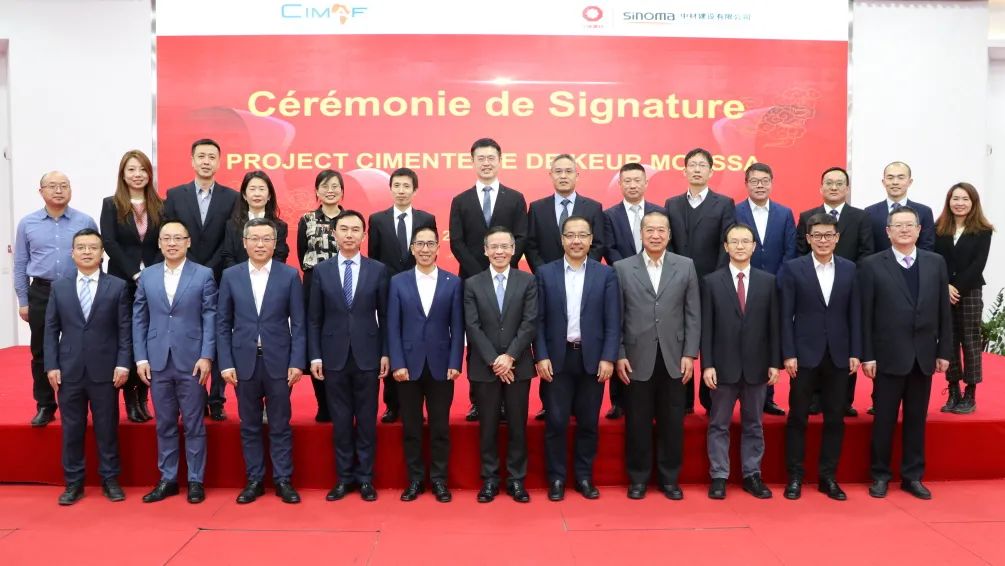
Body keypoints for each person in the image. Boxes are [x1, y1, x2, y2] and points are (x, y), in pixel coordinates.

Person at [860, 206, 952, 500]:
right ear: (888, 231)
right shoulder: (872, 265)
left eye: (909, 225)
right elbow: (865, 315)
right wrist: (867, 355)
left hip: (923, 356)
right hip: (887, 356)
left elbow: (943, 311)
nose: (904, 230)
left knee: (916, 420)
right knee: (884, 420)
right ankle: (880, 475)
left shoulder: (935, 263)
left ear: (919, 230)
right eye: (897, 225)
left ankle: (913, 476)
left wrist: (944, 351)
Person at [218, 218, 305, 504]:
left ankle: (283, 480)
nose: (260, 244)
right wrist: (226, 363)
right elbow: (223, 323)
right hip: (243, 362)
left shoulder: (289, 275)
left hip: (279, 362)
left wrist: (297, 362)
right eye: (254, 238)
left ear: (275, 243)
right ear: (244, 242)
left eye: (266, 239)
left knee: (280, 423)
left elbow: (299, 323)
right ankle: (254, 480)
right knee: (250, 424)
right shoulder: (231, 276)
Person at [615, 211, 700, 500]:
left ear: (669, 234)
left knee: (672, 422)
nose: (655, 235)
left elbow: (693, 314)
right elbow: (616, 316)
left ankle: (669, 479)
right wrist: (620, 353)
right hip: (635, 357)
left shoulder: (685, 266)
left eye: (661, 230)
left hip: (674, 357)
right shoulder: (622, 268)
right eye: (649, 230)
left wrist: (690, 353)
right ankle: (638, 479)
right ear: (641, 234)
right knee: (637, 422)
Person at [535, 216, 620, 501]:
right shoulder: (545, 273)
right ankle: (557, 479)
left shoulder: (605, 274)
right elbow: (538, 320)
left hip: (592, 359)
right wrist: (541, 356)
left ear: (591, 240)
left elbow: (613, 321)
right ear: (562, 240)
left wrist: (608, 357)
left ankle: (584, 477)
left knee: (588, 422)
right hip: (557, 359)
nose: (576, 241)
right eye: (570, 235)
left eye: (582, 235)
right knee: (556, 422)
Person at [44, 228, 131, 505]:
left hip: (106, 370)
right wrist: (51, 365)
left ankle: (110, 479)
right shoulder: (59, 287)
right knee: (72, 429)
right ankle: (73, 483)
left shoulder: (117, 286)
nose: (86, 252)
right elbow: (50, 330)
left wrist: (123, 364)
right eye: (81, 247)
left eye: (93, 247)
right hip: (68, 370)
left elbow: (125, 330)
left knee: (107, 428)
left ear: (102, 253)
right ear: (72, 253)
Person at [134, 220, 218, 504]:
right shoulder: (147, 276)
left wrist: (207, 355)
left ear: (188, 242)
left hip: (192, 360)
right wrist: (141, 357)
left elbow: (210, 316)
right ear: (159, 243)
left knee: (194, 423)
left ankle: (195, 480)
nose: (172, 243)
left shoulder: (203, 274)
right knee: (165, 423)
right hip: (157, 359)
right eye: (166, 238)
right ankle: (168, 479)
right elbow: (139, 318)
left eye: (178, 238)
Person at [778, 213, 861, 501]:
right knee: (798, 418)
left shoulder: (850, 269)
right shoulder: (793, 269)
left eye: (828, 235)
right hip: (803, 355)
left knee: (835, 419)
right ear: (808, 238)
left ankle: (828, 477)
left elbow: (855, 313)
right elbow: (785, 315)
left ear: (837, 238)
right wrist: (788, 353)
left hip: (839, 355)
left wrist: (856, 352)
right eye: (817, 235)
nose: (823, 240)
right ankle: (795, 477)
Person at [309, 210, 390, 503]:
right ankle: (343, 478)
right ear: (334, 234)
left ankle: (366, 478)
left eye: (355, 229)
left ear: (364, 235)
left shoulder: (378, 270)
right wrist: (315, 357)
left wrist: (386, 353)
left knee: (367, 420)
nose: (349, 234)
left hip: (368, 355)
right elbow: (314, 319)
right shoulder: (321, 271)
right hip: (333, 356)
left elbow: (387, 316)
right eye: (343, 229)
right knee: (341, 421)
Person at [449, 138, 528, 421]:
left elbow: (521, 237)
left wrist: (502, 266)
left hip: (509, 281)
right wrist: (480, 275)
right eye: (480, 158)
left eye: (491, 158)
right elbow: (456, 242)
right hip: (472, 282)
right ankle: (478, 401)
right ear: (472, 161)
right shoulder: (460, 200)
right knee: (476, 338)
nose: (486, 163)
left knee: (507, 333)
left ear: (499, 160)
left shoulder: (515, 198)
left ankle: (507, 401)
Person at [701, 223, 780, 500]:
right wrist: (707, 364)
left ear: (754, 246)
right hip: (723, 367)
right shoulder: (711, 282)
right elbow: (706, 328)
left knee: (754, 424)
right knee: (718, 424)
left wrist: (774, 362)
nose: (740, 246)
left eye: (745, 241)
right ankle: (719, 476)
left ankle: (752, 474)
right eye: (734, 241)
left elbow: (774, 326)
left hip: (757, 367)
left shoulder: (768, 281)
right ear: (726, 246)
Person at [526, 154, 607, 421]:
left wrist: (584, 268)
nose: (563, 176)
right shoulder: (537, 208)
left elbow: (598, 244)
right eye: (558, 171)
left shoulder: (593, 207)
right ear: (550, 175)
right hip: (548, 285)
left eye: (568, 171)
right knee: (550, 337)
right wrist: (549, 275)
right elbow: (531, 245)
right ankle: (549, 404)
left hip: (585, 280)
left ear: (577, 175)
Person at [14, 171, 98, 426]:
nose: (59, 190)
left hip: (76, 290)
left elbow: (96, 258)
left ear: (70, 189)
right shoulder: (27, 223)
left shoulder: (85, 221)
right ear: (41, 191)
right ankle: (45, 404)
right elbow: (20, 264)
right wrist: (23, 301)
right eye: (52, 186)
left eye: (64, 185)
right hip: (42, 291)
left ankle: (81, 401)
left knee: (81, 347)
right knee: (41, 349)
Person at [163, 138, 238, 421]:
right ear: (192, 161)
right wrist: (192, 267)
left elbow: (229, 239)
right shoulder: (175, 195)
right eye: (201, 156)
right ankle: (190, 397)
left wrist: (208, 268)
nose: (206, 161)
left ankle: (216, 398)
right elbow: (170, 234)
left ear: (219, 162)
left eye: (212, 157)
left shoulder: (232, 197)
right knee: (186, 333)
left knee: (217, 334)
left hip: (218, 276)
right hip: (183, 275)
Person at [387, 226, 463, 503]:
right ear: (412, 248)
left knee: (440, 427)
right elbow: (392, 326)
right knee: (411, 427)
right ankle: (415, 480)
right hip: (407, 366)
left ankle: (440, 480)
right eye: (420, 244)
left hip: (442, 365)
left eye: (430, 244)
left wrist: (455, 361)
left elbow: (458, 327)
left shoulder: (453, 282)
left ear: (438, 248)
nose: (425, 249)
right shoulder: (398, 282)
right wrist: (397, 362)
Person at [464, 226, 538, 503]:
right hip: (485, 367)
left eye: (505, 246)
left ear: (513, 250)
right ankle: (490, 480)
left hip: (518, 365)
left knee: (518, 425)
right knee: (488, 427)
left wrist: (510, 357)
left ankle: (517, 480)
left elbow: (529, 322)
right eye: (494, 247)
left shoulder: (527, 281)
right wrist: (495, 360)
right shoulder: (472, 283)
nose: (499, 251)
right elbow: (472, 326)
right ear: (485, 251)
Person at [795, 166, 874, 417]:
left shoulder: (860, 217)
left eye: (839, 183)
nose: (834, 187)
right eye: (829, 183)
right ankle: (815, 398)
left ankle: (844, 400)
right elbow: (799, 252)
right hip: (812, 289)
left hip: (847, 289)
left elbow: (866, 253)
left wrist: (849, 279)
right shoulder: (807, 216)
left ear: (847, 188)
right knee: (815, 342)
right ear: (821, 187)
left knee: (844, 343)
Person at [664, 147, 736, 413]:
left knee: (709, 338)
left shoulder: (724, 203)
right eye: (692, 165)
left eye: (702, 165)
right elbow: (668, 243)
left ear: (711, 171)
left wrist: (716, 278)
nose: (696, 169)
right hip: (677, 283)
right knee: (680, 338)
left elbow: (726, 244)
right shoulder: (672, 204)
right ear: (684, 171)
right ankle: (682, 401)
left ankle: (709, 398)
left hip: (710, 281)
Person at [368, 167, 437, 424]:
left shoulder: (426, 218)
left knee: (418, 339)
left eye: (406, 186)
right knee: (391, 341)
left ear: (414, 190)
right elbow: (374, 258)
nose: (401, 191)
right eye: (396, 186)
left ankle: (420, 402)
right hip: (388, 291)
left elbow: (429, 252)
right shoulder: (377, 219)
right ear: (390, 189)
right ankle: (392, 404)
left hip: (418, 289)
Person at [100, 149, 163, 423]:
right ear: (123, 175)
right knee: (126, 337)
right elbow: (110, 242)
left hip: (153, 281)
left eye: (142, 169)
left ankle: (143, 397)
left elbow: (164, 241)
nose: (138, 175)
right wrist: (134, 274)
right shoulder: (111, 204)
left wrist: (149, 274)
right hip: (122, 281)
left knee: (148, 336)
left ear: (149, 174)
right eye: (131, 170)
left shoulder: (161, 205)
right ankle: (130, 398)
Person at [734, 162, 796, 416]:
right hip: (742, 285)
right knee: (742, 338)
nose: (760, 185)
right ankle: (737, 394)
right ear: (746, 184)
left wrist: (774, 282)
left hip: (775, 288)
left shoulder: (784, 213)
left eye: (764, 181)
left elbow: (790, 251)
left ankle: (766, 397)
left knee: (768, 340)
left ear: (771, 183)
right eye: (754, 181)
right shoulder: (734, 211)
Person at [603, 162, 662, 419]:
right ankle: (618, 401)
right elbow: (609, 248)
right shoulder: (609, 215)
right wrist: (630, 271)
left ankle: (656, 399)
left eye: (638, 180)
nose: (633, 185)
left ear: (646, 183)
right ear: (620, 184)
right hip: (622, 283)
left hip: (657, 282)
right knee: (621, 336)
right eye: (627, 181)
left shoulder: (660, 213)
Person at [933, 183, 994, 414]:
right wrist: (945, 286)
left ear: (973, 202)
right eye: (955, 198)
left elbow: (978, 264)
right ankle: (953, 390)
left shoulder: (983, 230)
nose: (959, 203)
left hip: (970, 291)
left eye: (965, 199)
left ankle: (970, 393)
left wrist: (956, 287)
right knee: (949, 340)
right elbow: (934, 259)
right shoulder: (939, 228)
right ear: (949, 201)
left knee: (970, 340)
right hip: (943, 291)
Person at [297, 169, 346, 423]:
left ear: (342, 190)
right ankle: (323, 404)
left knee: (340, 341)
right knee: (316, 340)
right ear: (317, 191)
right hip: (314, 285)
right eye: (325, 186)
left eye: (335, 186)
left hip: (343, 287)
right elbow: (302, 254)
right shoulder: (307, 220)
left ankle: (340, 402)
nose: (330, 190)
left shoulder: (349, 220)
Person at [221, 170, 290, 268]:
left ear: (269, 195)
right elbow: (228, 256)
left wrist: (262, 274)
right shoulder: (232, 225)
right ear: (244, 195)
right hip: (239, 276)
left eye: (262, 189)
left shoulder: (280, 226)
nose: (257, 194)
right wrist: (242, 274)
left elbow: (280, 256)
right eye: (252, 189)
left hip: (269, 276)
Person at [864, 162, 936, 252]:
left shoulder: (924, 212)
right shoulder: (870, 212)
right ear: (883, 182)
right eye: (890, 178)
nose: (895, 182)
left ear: (910, 182)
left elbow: (927, 246)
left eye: (901, 178)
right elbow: (868, 247)